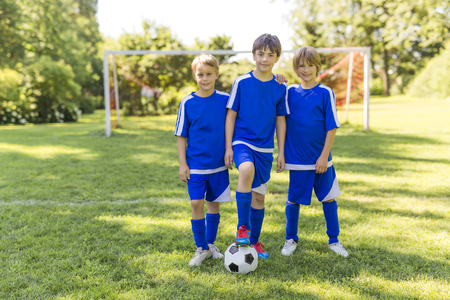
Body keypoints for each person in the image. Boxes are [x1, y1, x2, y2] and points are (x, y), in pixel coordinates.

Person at [224, 33, 289, 259]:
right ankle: (243, 228)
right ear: (253, 55)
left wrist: (281, 151)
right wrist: (228, 147)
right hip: (242, 142)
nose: (264, 59)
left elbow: (281, 119)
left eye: (270, 55)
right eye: (260, 54)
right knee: (246, 170)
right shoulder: (241, 82)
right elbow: (231, 115)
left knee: (259, 198)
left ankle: (254, 241)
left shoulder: (280, 87)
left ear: (277, 58)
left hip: (265, 149)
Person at [281, 46, 348, 257]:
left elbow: (332, 127)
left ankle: (334, 240)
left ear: (317, 67)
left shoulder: (325, 93)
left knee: (328, 198)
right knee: (293, 199)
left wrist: (323, 156)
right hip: (297, 160)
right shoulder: (289, 91)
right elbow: (273, 100)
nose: (306, 69)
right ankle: (290, 238)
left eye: (310, 65)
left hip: (321, 160)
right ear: (296, 68)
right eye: (301, 65)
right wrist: (277, 80)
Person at [174, 53, 231, 266]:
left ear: (216, 74)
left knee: (213, 204)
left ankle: (210, 244)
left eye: (209, 74)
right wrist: (183, 163)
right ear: (194, 76)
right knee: (196, 202)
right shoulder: (188, 102)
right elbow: (181, 135)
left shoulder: (226, 100)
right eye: (200, 75)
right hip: (196, 164)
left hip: (218, 164)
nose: (205, 78)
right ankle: (201, 248)